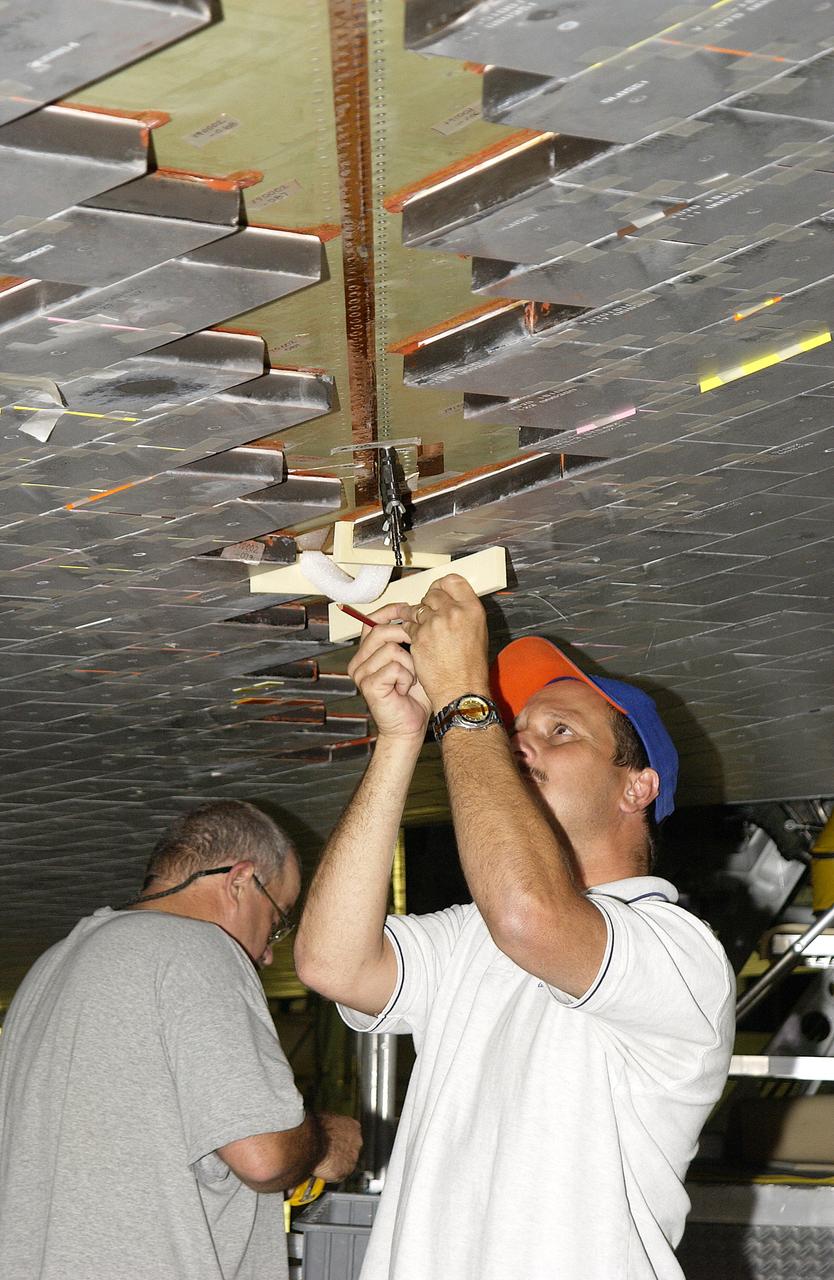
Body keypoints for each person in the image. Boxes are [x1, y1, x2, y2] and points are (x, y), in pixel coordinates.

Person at [295, 575, 735, 1280]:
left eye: (559, 733)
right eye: (516, 730)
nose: (521, 745)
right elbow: (331, 964)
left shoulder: (677, 952)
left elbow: (530, 917)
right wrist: (401, 738)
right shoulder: (475, 935)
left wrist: (465, 706)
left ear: (636, 786)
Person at [0, 799, 361, 1280]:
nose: (268, 955)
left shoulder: (55, 963)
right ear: (239, 881)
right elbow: (264, 1157)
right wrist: (324, 1142)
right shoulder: (198, 949)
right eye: (277, 920)